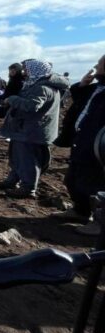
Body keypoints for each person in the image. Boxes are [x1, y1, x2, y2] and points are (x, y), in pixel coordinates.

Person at [0, 59, 68, 199]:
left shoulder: (42, 87)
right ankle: (13, 180)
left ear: (36, 70)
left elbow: (32, 106)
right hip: (26, 129)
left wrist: (12, 99)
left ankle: (28, 188)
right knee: (18, 157)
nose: (24, 72)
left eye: (26, 69)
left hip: (31, 131)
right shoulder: (41, 85)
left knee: (27, 159)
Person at [57, 56, 105, 235]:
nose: (95, 66)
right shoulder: (97, 87)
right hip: (82, 140)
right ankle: (80, 211)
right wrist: (83, 84)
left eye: (99, 64)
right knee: (73, 179)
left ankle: (100, 223)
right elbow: (78, 97)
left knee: (95, 185)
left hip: (97, 145)